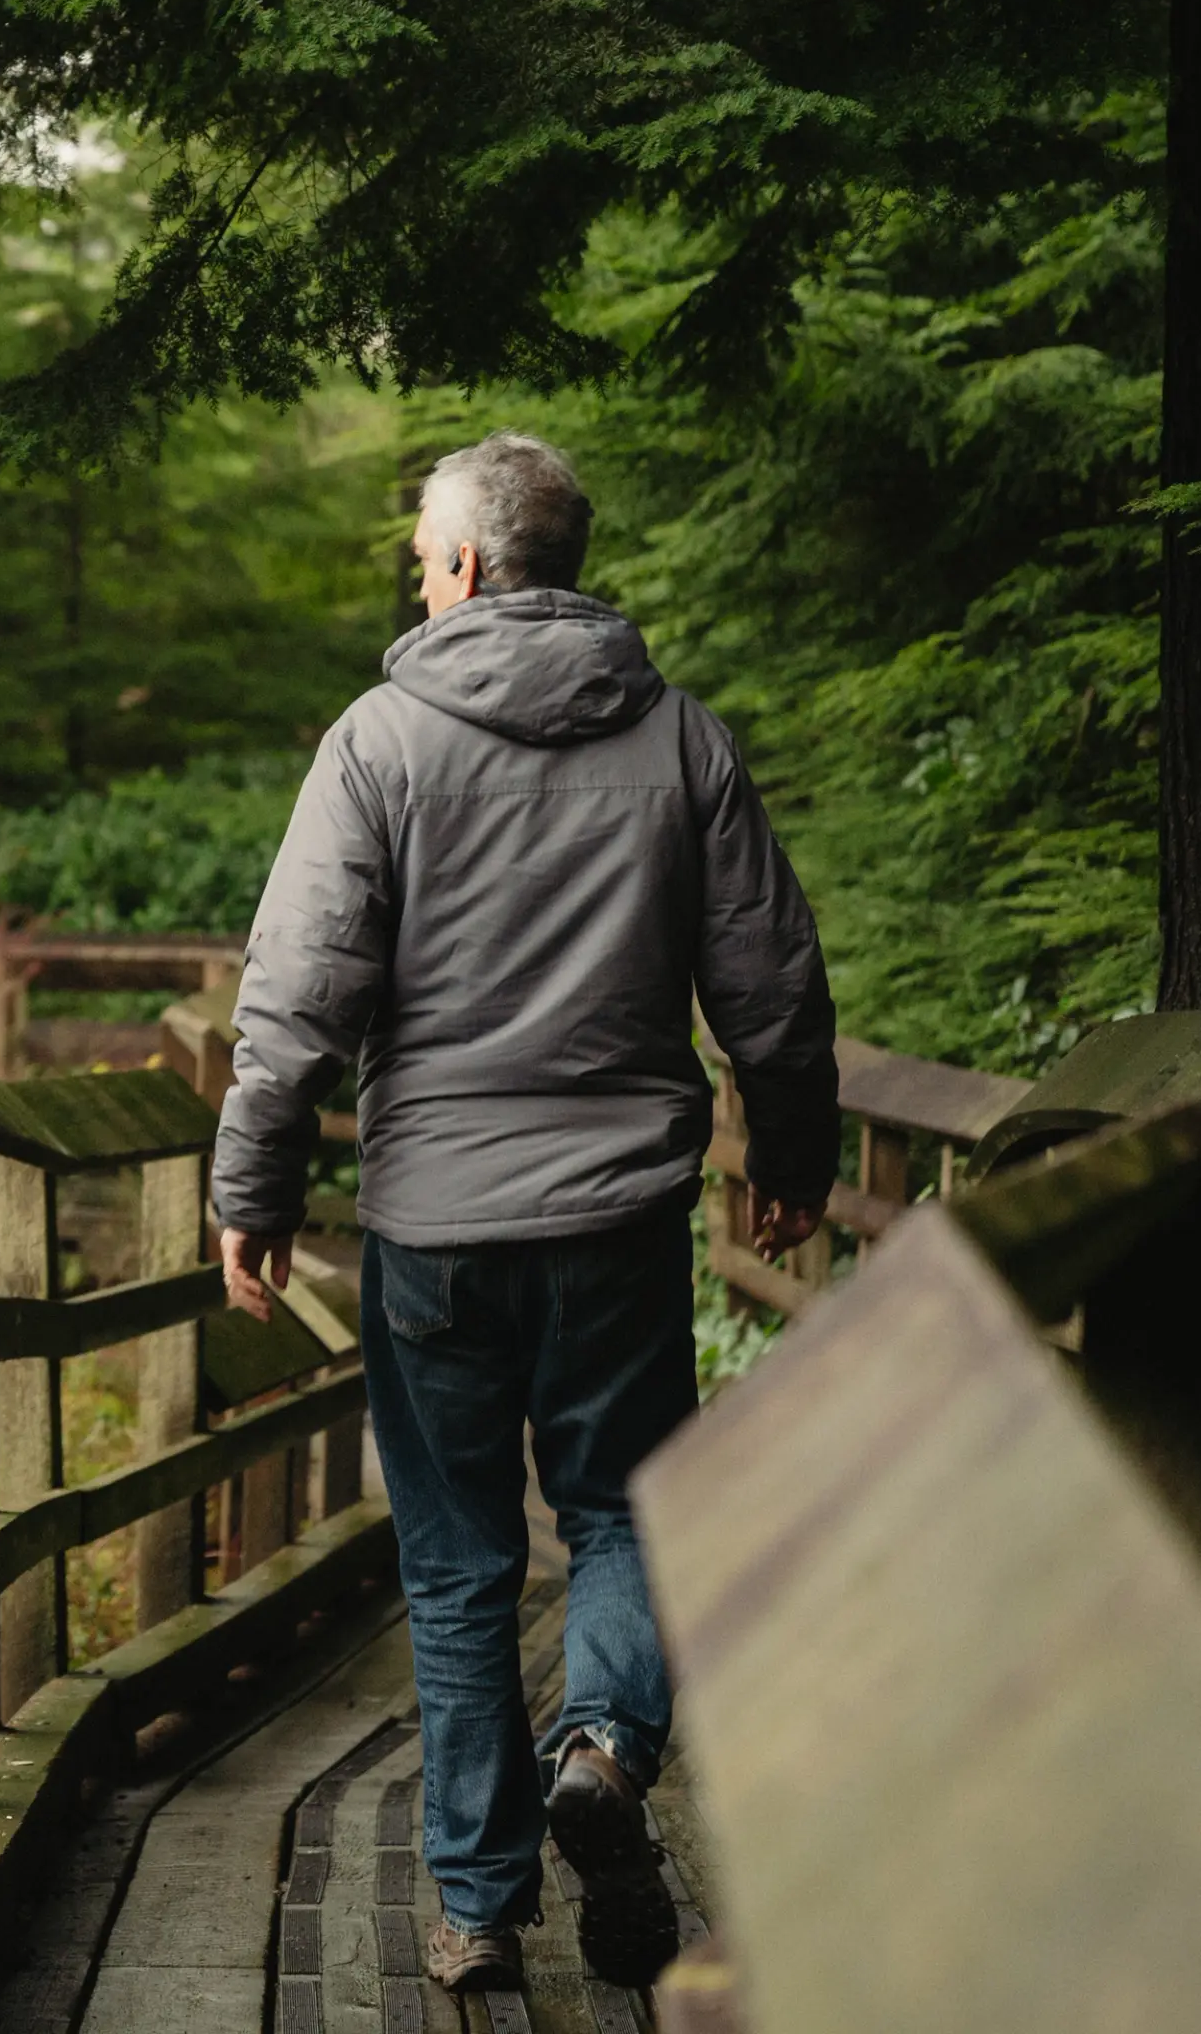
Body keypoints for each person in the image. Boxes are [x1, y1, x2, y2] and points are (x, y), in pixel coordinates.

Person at [210, 432, 836, 1994]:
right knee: (626, 1507)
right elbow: (770, 980)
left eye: (424, 556)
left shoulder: (378, 742)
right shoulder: (683, 740)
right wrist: (797, 1153)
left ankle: (477, 1907)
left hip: (433, 1229)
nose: (417, 581)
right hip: (620, 1218)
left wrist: (254, 1184)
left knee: (458, 1566)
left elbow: (297, 995)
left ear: (471, 568)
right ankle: (610, 1754)